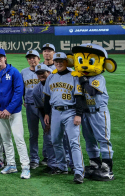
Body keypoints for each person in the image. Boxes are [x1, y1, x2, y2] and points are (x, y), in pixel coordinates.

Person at [0, 48, 30, 179]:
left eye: (1, 56)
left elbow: (18, 93)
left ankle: (25, 166)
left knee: (18, 138)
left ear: (5, 58)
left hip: (13, 112)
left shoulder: (14, 72)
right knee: (6, 139)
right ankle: (11, 164)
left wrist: (9, 109)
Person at [42, 52, 85, 183]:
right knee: (55, 140)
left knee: (74, 142)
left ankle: (79, 171)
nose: (59, 63)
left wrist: (78, 114)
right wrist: (46, 113)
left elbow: (79, 97)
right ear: (53, 62)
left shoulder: (74, 75)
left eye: (61, 61)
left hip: (70, 112)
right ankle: (62, 167)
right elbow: (47, 97)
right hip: (55, 112)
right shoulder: (51, 76)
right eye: (57, 61)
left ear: (66, 62)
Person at [74, 44, 114, 181]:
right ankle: (94, 163)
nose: (84, 66)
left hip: (98, 112)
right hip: (85, 112)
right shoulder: (81, 77)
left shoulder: (98, 78)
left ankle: (107, 168)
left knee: (103, 138)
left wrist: (83, 81)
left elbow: (92, 91)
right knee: (89, 139)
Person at [31, 64, 57, 173]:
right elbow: (42, 109)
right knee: (48, 137)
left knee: (65, 138)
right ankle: (52, 164)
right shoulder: (36, 90)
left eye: (43, 72)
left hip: (61, 113)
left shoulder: (56, 84)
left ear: (49, 73)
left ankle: (69, 163)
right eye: (38, 73)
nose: (41, 75)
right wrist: (47, 123)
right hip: (47, 114)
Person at [21, 49, 43, 169]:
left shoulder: (45, 71)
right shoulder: (23, 72)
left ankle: (48, 157)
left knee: (48, 133)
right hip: (30, 105)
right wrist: (24, 100)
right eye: (29, 58)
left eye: (34, 57)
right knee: (33, 134)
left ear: (39, 59)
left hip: (44, 107)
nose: (32, 60)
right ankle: (34, 159)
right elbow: (21, 88)